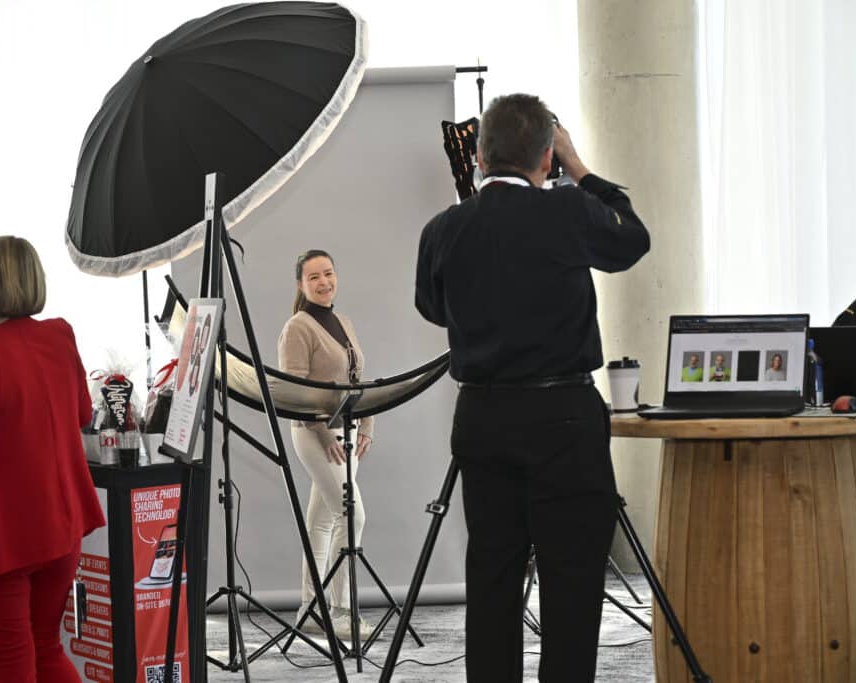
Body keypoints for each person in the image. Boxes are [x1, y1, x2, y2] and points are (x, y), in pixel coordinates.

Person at [415, 94, 650, 681]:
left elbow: (431, 307)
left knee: (492, 573)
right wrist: (583, 170)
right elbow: (632, 240)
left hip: (482, 416)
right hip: (563, 417)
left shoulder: (444, 229)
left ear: (479, 158)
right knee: (571, 577)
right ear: (547, 156)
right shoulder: (569, 212)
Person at [0, 236, 106, 682]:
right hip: (60, 527)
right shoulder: (60, 336)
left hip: (2, 540)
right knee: (46, 649)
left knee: (13, 665)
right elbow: (83, 414)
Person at [278, 249, 374, 640]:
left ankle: (309, 606)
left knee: (322, 521)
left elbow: (357, 380)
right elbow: (295, 392)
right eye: (314, 276)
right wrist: (322, 434)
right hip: (314, 433)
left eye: (328, 273)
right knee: (352, 516)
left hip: (347, 433)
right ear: (301, 284)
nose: (324, 282)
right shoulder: (297, 327)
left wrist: (368, 422)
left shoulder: (342, 321)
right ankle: (340, 611)